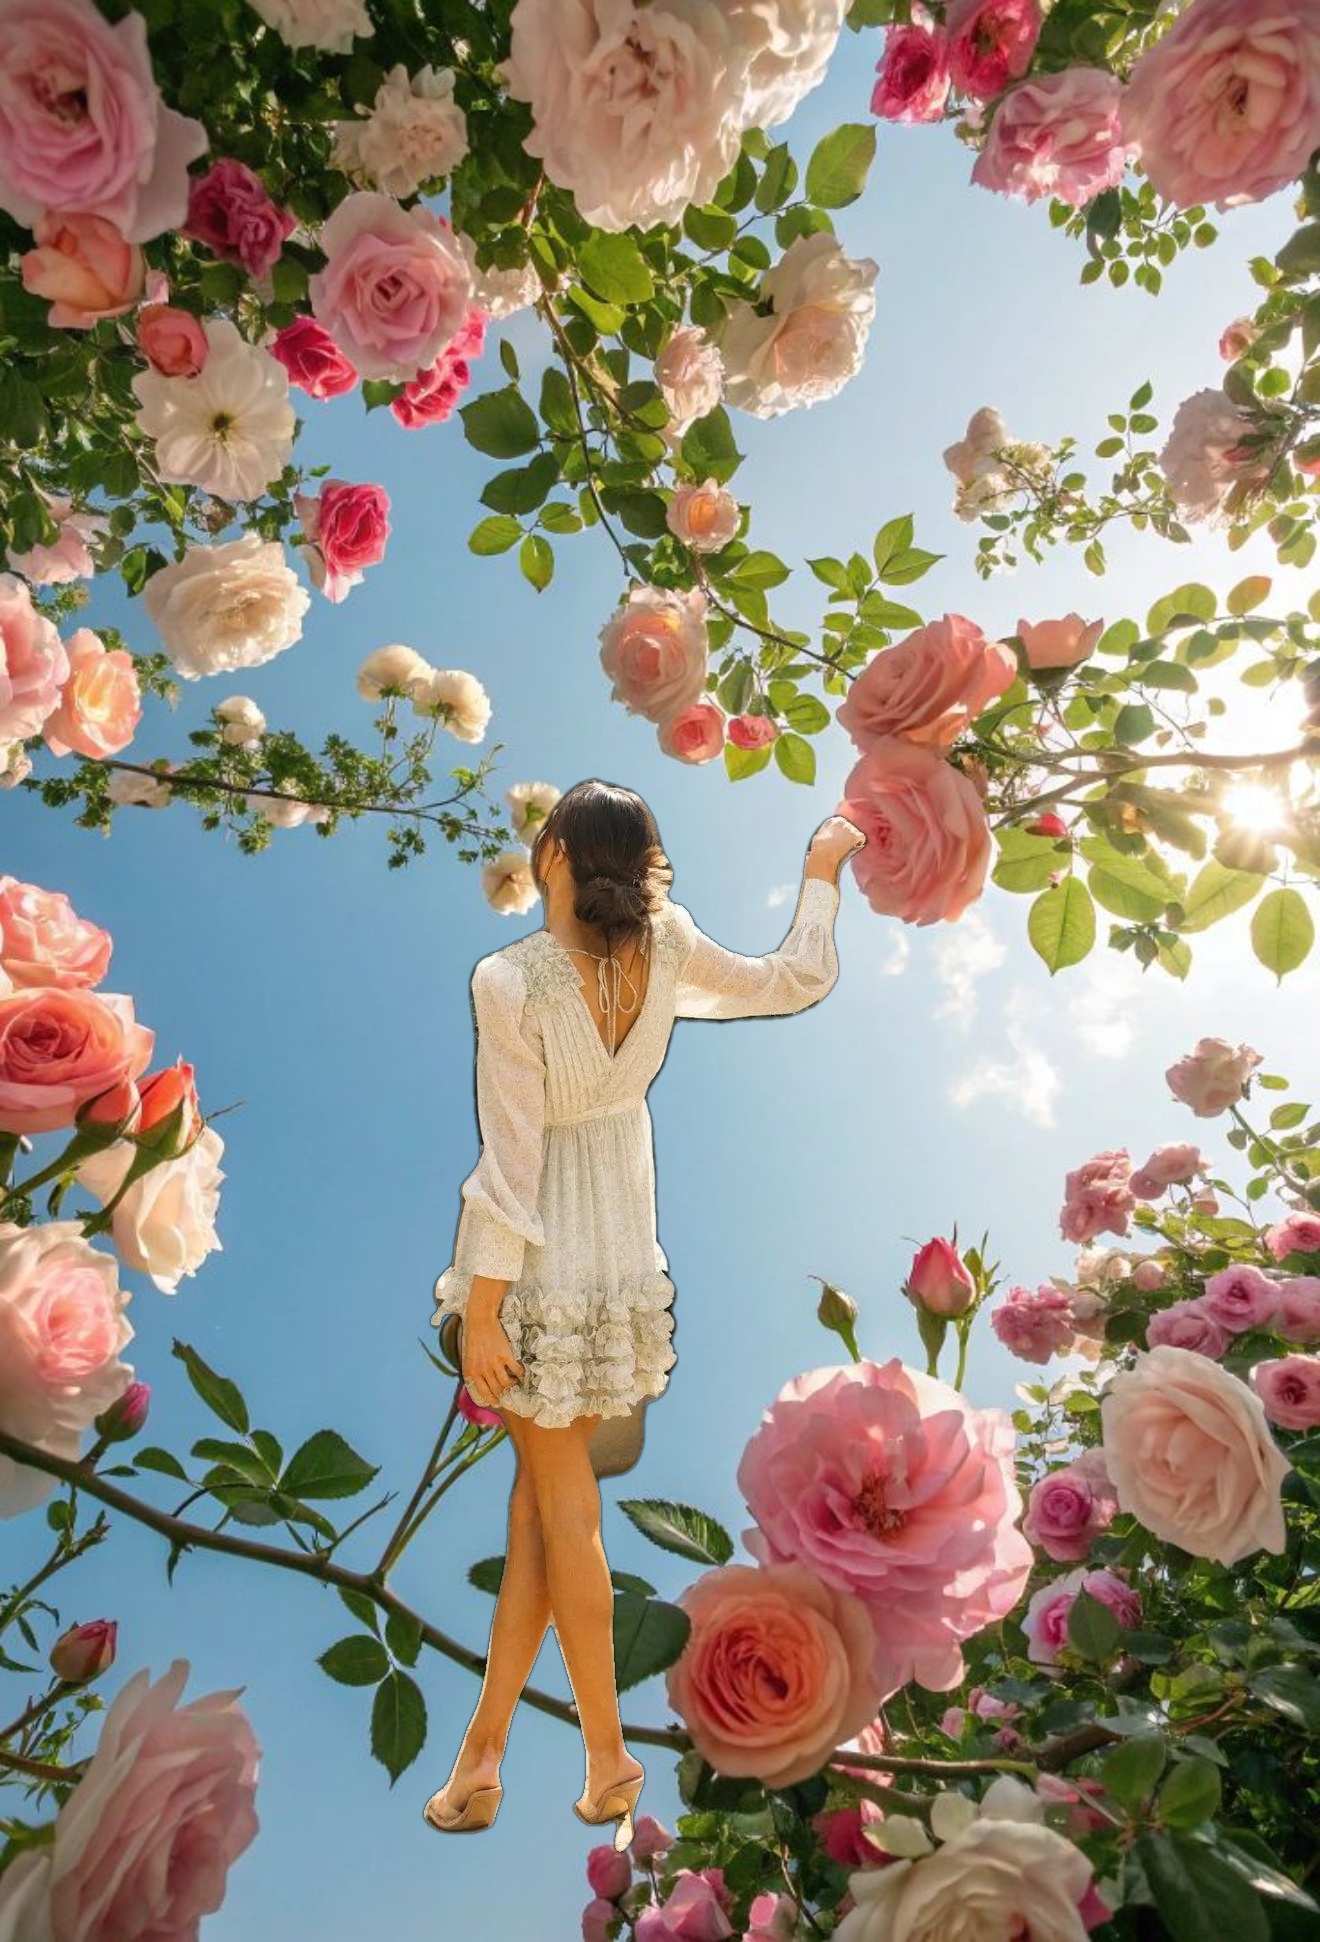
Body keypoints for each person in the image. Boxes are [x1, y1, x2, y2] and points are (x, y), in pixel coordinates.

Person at [423, 781, 864, 1844]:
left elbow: (513, 1159)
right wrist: (820, 874)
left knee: (561, 1499)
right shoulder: (665, 948)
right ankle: (481, 1759)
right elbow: (794, 978)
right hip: (618, 1245)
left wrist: (483, 1312)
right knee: (541, 1500)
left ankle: (605, 1749)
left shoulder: (511, 977)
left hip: (540, 1259)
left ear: (558, 853)